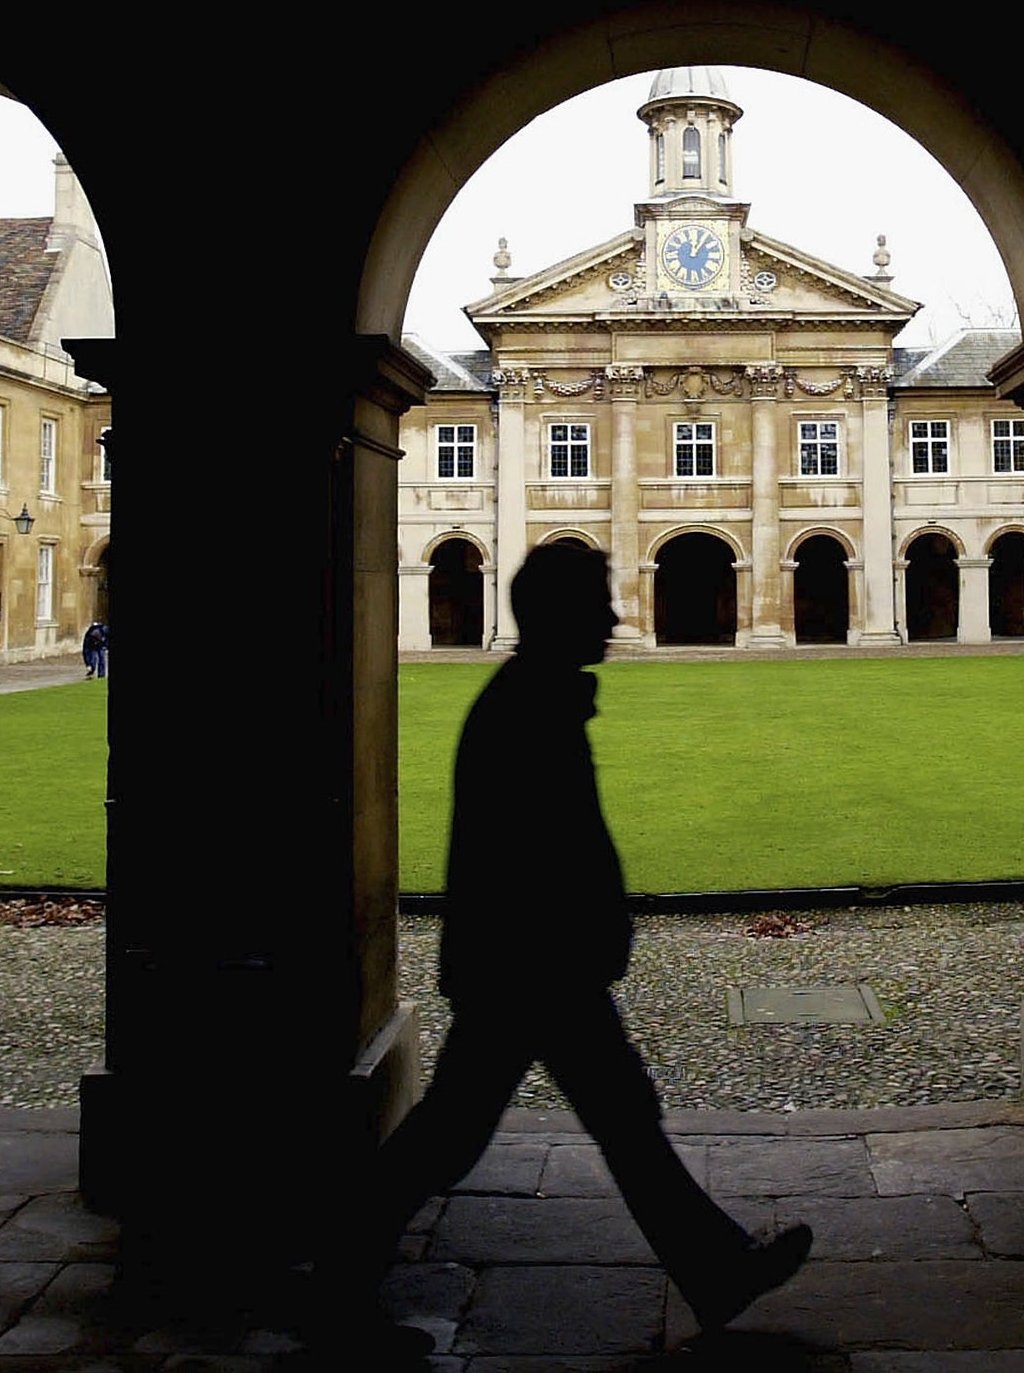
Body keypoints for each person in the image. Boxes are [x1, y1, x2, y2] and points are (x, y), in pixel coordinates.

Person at [324, 542, 811, 1353]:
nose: (616, 617)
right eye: (599, 603)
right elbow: (534, 851)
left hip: (529, 961)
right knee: (468, 1133)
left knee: (603, 1119)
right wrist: (588, 931)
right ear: (558, 615)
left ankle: (718, 1267)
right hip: (531, 966)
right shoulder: (528, 706)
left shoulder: (535, 695)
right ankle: (335, 1283)